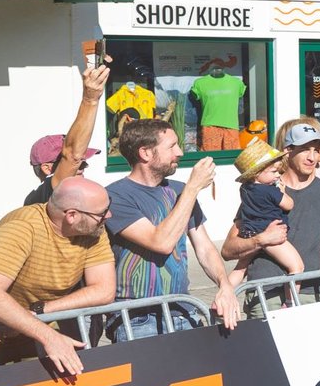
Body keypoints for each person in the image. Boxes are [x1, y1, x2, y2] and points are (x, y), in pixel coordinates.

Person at [221, 123, 320, 321]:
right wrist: (260, 240)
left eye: (316, 150)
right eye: (305, 149)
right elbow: (228, 250)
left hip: (308, 294)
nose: (312, 157)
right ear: (288, 151)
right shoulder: (262, 190)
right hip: (263, 293)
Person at [102, 120, 242, 338]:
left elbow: (204, 248)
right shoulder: (115, 196)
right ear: (145, 153)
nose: (180, 152)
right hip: (137, 318)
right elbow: (160, 243)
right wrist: (193, 188)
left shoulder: (180, 191)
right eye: (172, 146)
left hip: (183, 311)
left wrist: (224, 286)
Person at [0, 179, 116, 380]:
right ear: (72, 215)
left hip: (32, 331)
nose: (109, 215)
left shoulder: (93, 230)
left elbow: (104, 290)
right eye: (102, 213)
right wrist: (49, 337)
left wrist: (41, 310)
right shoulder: (22, 227)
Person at [26, 59, 112, 206]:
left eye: (84, 162)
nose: (85, 166)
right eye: (79, 164)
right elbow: (73, 155)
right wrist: (90, 99)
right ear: (47, 168)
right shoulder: (48, 194)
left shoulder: (69, 195)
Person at [232, 139, 302, 276]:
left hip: (249, 232)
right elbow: (289, 205)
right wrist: (282, 191)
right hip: (271, 235)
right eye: (274, 171)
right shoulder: (270, 190)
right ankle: (292, 291)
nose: (278, 175)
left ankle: (226, 288)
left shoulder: (245, 188)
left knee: (241, 268)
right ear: (257, 173)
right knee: (297, 267)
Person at [188, 63, 249, 152]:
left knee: (232, 156)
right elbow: (195, 94)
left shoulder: (237, 83)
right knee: (210, 156)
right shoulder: (200, 83)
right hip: (210, 126)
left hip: (231, 126)